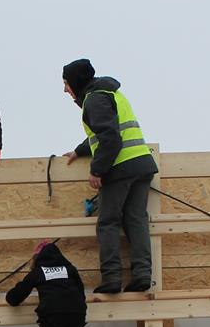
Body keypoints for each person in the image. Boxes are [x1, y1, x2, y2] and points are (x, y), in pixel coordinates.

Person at [61, 58, 158, 294]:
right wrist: (80, 150)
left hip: (121, 167)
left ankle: (112, 278)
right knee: (136, 219)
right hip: (141, 163)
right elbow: (106, 131)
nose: (65, 89)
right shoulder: (109, 92)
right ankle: (142, 274)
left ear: (76, 81)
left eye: (66, 83)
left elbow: (111, 138)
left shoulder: (94, 99)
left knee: (108, 222)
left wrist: (97, 170)